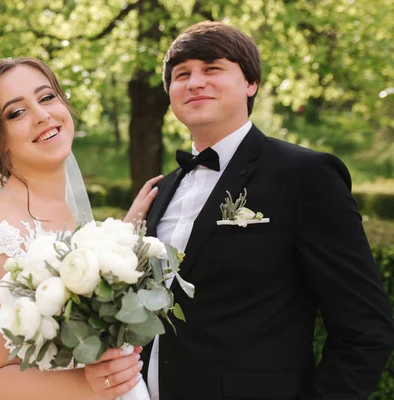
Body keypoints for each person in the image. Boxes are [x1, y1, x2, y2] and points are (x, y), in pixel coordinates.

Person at [144, 21, 394, 400]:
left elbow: (365, 328)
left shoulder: (306, 175)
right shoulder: (161, 190)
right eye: (182, 75)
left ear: (251, 83)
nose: (195, 82)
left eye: (212, 68)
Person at [0, 57, 161, 399]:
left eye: (46, 98)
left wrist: (123, 240)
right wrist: (89, 383)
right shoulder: (3, 237)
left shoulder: (62, 205)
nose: (42, 115)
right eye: (16, 112)